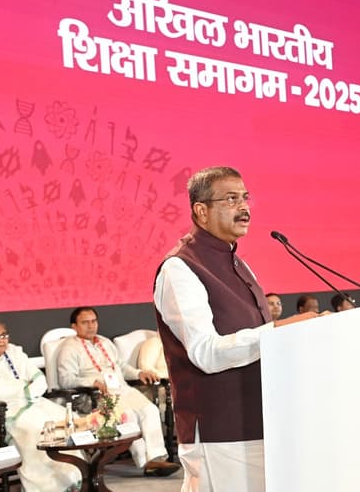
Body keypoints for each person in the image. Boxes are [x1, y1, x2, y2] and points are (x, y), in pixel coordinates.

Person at [153, 166, 317, 491]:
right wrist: (280, 331)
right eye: (230, 199)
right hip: (219, 430)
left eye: (245, 198)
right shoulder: (180, 268)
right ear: (201, 211)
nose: (243, 207)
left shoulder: (238, 263)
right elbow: (205, 353)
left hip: (261, 417)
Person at [57, 307, 179, 476]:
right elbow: (66, 380)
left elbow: (121, 366)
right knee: (127, 415)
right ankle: (145, 463)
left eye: (93, 321)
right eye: (85, 322)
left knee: (149, 409)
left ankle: (157, 458)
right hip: (95, 395)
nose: (91, 326)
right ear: (74, 326)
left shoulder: (105, 342)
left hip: (121, 388)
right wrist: (92, 382)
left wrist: (139, 373)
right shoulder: (69, 348)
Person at [0, 322, 82, 491]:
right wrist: (25, 386)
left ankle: (70, 479)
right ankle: (48, 487)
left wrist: (24, 391)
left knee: (65, 421)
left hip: (31, 403)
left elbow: (40, 379)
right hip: (1, 413)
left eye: (4, 335)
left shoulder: (14, 353)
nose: (1, 340)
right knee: (36, 430)